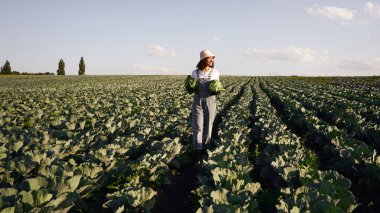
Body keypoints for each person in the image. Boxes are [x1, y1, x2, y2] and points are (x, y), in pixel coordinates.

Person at [190, 50, 220, 157]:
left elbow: (217, 87)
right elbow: (192, 87)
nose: (212, 60)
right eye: (210, 58)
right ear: (203, 59)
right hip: (198, 100)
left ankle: (205, 148)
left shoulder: (215, 72)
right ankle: (197, 149)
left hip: (210, 100)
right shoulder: (195, 73)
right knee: (197, 125)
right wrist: (190, 86)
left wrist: (217, 88)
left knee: (208, 125)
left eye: (213, 58)